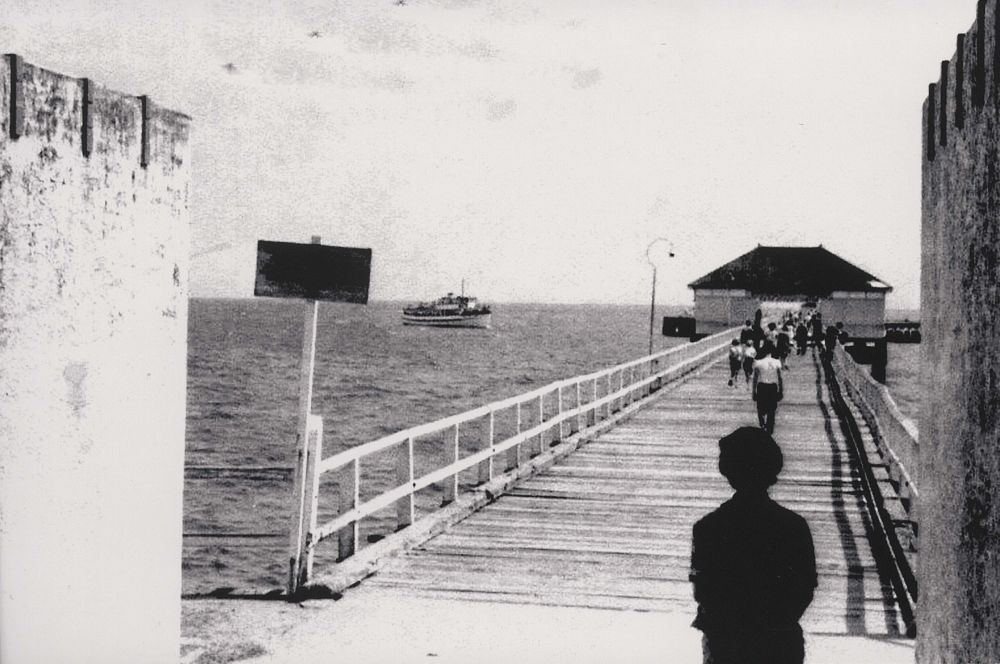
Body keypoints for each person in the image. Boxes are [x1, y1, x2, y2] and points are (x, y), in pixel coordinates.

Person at [690, 427, 817, 664]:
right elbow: (805, 588)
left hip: (726, 642)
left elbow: (703, 591)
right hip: (779, 640)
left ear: (727, 470)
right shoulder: (794, 527)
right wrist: (775, 622)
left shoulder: (707, 528)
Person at [752, 343, 783, 433]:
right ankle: (770, 427)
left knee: (760, 407)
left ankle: (762, 423)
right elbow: (780, 377)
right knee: (772, 409)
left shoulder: (758, 362)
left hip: (762, 387)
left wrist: (753, 391)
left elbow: (755, 378)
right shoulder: (777, 362)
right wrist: (781, 389)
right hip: (772, 387)